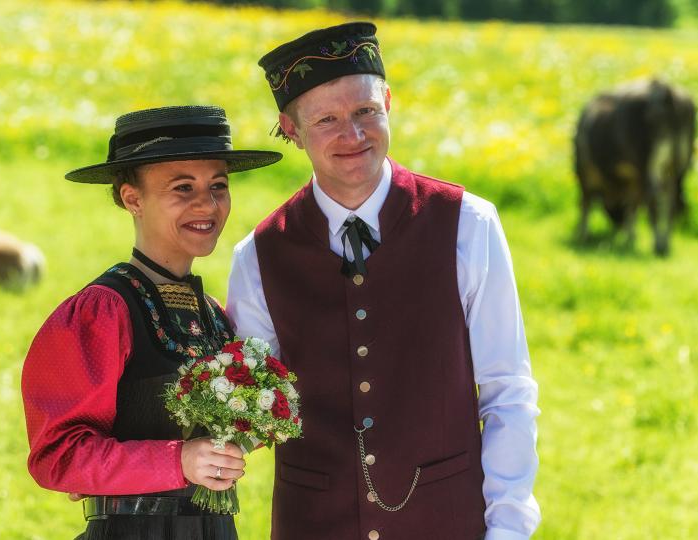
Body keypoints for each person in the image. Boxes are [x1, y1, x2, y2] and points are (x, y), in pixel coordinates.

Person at [226, 22, 540, 540]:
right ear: (290, 127)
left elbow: (507, 392)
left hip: (445, 522)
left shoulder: (468, 224)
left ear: (388, 102)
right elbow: (250, 408)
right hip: (313, 526)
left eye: (365, 111)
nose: (352, 135)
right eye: (326, 119)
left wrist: (507, 530)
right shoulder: (258, 254)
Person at [21, 105, 281, 540]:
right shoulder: (102, 311)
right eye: (183, 188)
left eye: (218, 185)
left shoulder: (215, 316)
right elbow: (57, 456)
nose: (207, 203)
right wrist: (178, 460)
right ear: (132, 198)